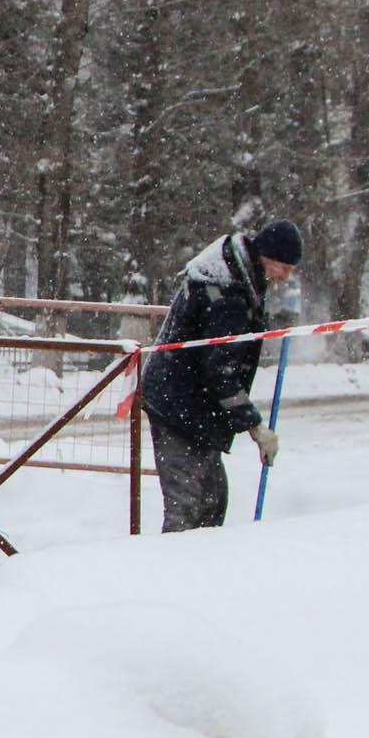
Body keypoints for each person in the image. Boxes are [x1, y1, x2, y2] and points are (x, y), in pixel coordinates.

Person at [138, 219, 301, 532]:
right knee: (188, 505)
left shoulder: (239, 275)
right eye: (284, 266)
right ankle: (168, 571)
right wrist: (254, 427)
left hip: (194, 404)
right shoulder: (227, 293)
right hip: (177, 405)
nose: (286, 275)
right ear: (267, 255)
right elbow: (220, 370)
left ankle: (206, 568)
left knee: (212, 500)